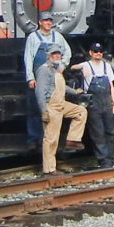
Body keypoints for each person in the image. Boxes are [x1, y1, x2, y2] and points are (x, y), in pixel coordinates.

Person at [35, 43, 87, 175]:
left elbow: (62, 87)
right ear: (48, 56)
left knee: (81, 111)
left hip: (61, 104)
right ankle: (49, 169)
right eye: (54, 54)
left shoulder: (56, 70)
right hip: (51, 107)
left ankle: (73, 139)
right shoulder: (44, 70)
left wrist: (74, 92)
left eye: (58, 54)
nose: (57, 56)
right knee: (51, 138)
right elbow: (40, 92)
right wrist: (44, 111)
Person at [23, 13, 70, 150]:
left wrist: (63, 65)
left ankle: (49, 138)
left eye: (50, 20)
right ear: (40, 22)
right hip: (38, 78)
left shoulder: (58, 37)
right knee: (34, 108)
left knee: (54, 107)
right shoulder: (33, 37)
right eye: (46, 20)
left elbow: (68, 51)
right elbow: (28, 58)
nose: (48, 22)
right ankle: (33, 139)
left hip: (54, 78)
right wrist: (30, 77)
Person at [70, 43, 114, 168]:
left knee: (110, 132)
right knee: (98, 133)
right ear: (90, 53)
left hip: (106, 102)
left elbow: (111, 86)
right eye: (95, 51)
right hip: (93, 102)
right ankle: (103, 160)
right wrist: (80, 68)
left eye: (100, 51)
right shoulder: (86, 65)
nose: (98, 53)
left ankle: (110, 157)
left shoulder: (107, 66)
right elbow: (72, 67)